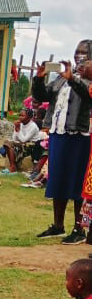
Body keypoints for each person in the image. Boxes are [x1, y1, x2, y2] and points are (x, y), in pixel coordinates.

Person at [32, 41, 92, 244]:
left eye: (84, 53)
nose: (79, 56)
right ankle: (58, 225)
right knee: (57, 179)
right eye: (77, 52)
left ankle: (79, 228)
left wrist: (73, 79)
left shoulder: (88, 79)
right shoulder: (61, 77)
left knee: (77, 182)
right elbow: (42, 96)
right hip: (58, 133)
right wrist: (39, 78)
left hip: (80, 135)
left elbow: (87, 94)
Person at [0, 108, 44, 175]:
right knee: (7, 143)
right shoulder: (20, 124)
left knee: (8, 143)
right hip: (22, 143)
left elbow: (24, 140)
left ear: (29, 117)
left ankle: (12, 167)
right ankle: (12, 166)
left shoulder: (33, 126)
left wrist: (18, 130)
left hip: (32, 145)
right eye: (19, 115)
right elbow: (14, 138)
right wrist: (16, 128)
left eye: (22, 116)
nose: (20, 117)